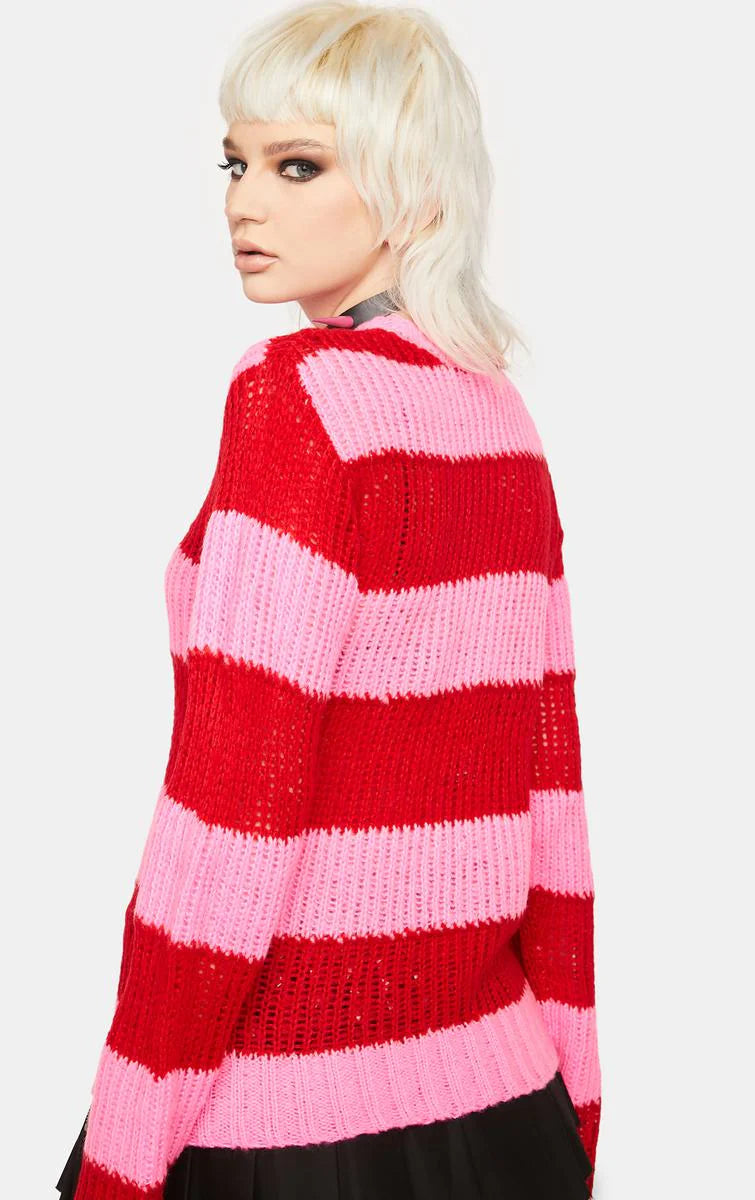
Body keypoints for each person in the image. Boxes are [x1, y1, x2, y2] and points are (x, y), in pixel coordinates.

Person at [55, 3, 602, 1198]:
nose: (245, 203)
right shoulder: (499, 418)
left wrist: (123, 1153)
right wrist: (576, 1101)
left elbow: (228, 817)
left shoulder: (298, 403)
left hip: (287, 1123)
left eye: (298, 165)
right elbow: (550, 789)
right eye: (237, 163)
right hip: (505, 1099)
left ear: (413, 191)